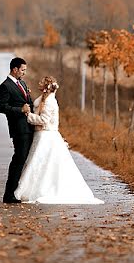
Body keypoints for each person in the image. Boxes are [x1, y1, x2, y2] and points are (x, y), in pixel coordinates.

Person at [13, 75, 103, 204]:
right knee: (38, 163)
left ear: (46, 87)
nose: (39, 83)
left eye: (42, 83)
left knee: (44, 164)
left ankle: (44, 190)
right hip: (40, 135)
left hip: (46, 136)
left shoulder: (50, 102)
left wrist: (28, 115)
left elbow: (44, 121)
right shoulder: (44, 99)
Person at [0, 57, 34, 203]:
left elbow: (28, 103)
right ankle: (9, 194)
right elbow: (1, 107)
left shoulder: (22, 84)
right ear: (15, 69)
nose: (24, 73)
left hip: (29, 127)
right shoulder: (4, 86)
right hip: (18, 129)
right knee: (18, 160)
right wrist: (20, 109)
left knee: (26, 160)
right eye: (22, 70)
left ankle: (20, 191)